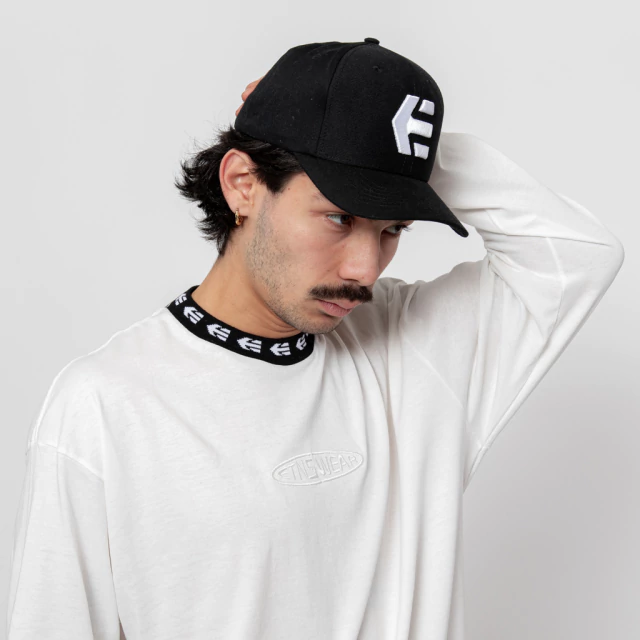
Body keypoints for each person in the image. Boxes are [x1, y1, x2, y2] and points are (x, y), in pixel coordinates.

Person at [5, 38, 625, 639]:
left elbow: (579, 254)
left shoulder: (416, 350)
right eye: (338, 217)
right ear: (243, 183)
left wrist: (395, 146)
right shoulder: (104, 406)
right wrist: (315, 129)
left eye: (393, 229)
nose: (365, 268)